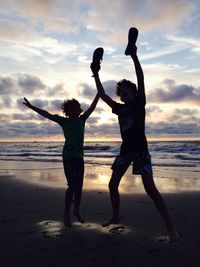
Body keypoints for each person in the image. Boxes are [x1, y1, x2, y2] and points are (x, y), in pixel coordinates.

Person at [90, 31, 180, 241]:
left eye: (124, 89)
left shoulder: (140, 104)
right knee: (112, 185)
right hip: (125, 151)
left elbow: (141, 77)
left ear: (133, 90)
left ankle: (171, 227)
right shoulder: (119, 108)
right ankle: (115, 216)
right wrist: (95, 73)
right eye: (120, 91)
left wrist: (134, 55)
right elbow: (103, 95)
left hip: (141, 151)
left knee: (151, 189)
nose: (121, 92)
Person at [23, 94, 99, 227]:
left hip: (79, 157)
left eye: (78, 107)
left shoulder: (82, 119)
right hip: (68, 157)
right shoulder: (64, 121)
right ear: (68, 112)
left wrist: (99, 94)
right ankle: (66, 213)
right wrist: (31, 106)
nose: (78, 109)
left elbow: (92, 107)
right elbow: (46, 114)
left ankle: (76, 211)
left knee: (79, 187)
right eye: (74, 108)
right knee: (72, 186)